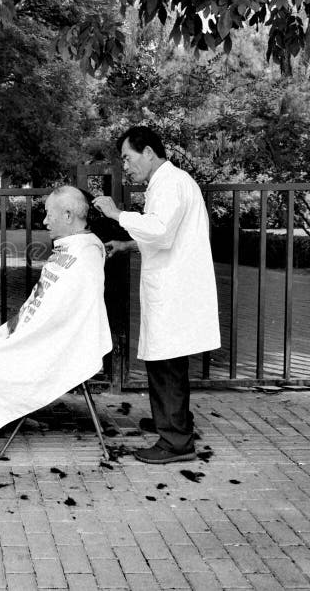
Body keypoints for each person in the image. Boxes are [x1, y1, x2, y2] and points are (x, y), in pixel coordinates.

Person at [0, 186, 112, 464]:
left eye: (48, 215)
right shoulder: (72, 247)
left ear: (68, 215)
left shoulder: (86, 254)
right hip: (40, 334)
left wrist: (23, 336)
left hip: (57, 344)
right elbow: (43, 300)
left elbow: (70, 315)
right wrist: (13, 328)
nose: (44, 222)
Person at [93, 125, 220, 464]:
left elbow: (161, 233)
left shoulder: (171, 184)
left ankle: (176, 441)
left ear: (148, 152)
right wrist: (128, 244)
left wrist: (117, 215)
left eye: (127, 158)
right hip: (171, 282)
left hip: (174, 286)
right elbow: (165, 234)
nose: (126, 166)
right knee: (166, 358)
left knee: (167, 361)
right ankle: (173, 421)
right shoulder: (167, 183)